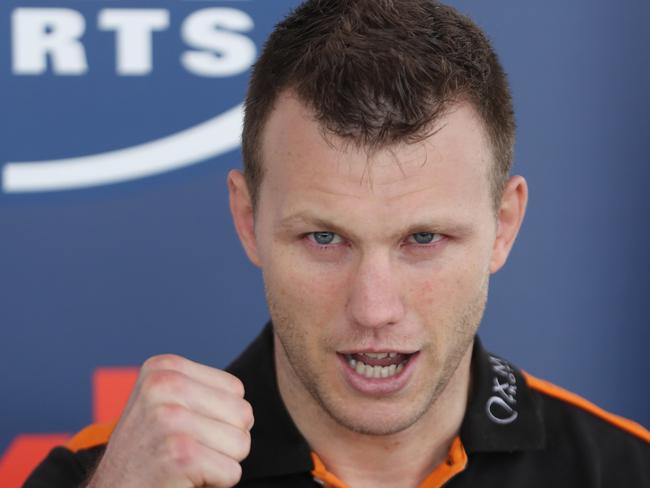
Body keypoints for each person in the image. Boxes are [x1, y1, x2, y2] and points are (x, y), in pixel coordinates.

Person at [25, 1, 649, 487]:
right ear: (248, 218)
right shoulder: (99, 477)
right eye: (324, 238)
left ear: (504, 226)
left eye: (423, 238)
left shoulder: (626, 470)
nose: (374, 308)